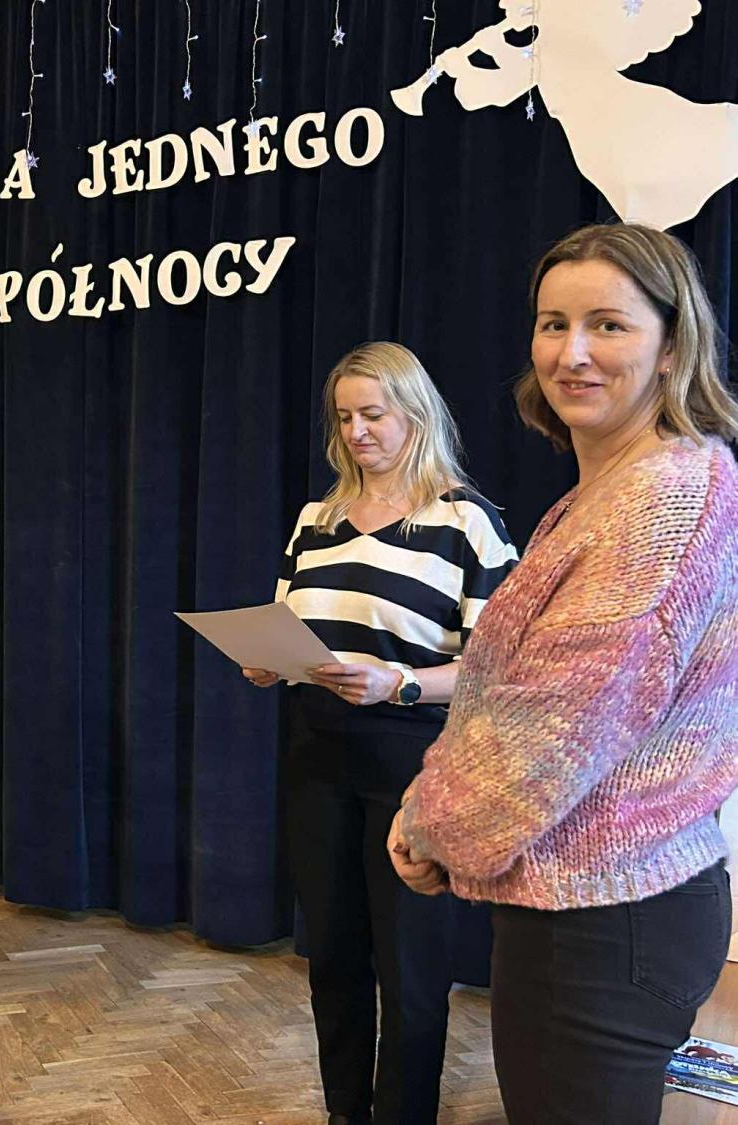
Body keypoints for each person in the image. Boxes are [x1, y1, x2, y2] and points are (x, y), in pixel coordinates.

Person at [391, 222, 738, 1123]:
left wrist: (431, 826)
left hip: (602, 918)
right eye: (553, 324)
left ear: (673, 347)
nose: (570, 353)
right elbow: (514, 698)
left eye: (608, 325)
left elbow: (554, 730)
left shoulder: (663, 497)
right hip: (608, 900)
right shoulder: (614, 491)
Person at [243, 342, 518, 1125]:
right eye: (344, 417)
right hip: (318, 753)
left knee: (410, 964)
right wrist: (267, 661)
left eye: (373, 414)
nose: (357, 431)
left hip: (415, 761)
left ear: (415, 414)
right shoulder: (316, 521)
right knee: (332, 953)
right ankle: (345, 1112)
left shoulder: (466, 522)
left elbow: (499, 670)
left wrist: (398, 681)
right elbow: (288, 624)